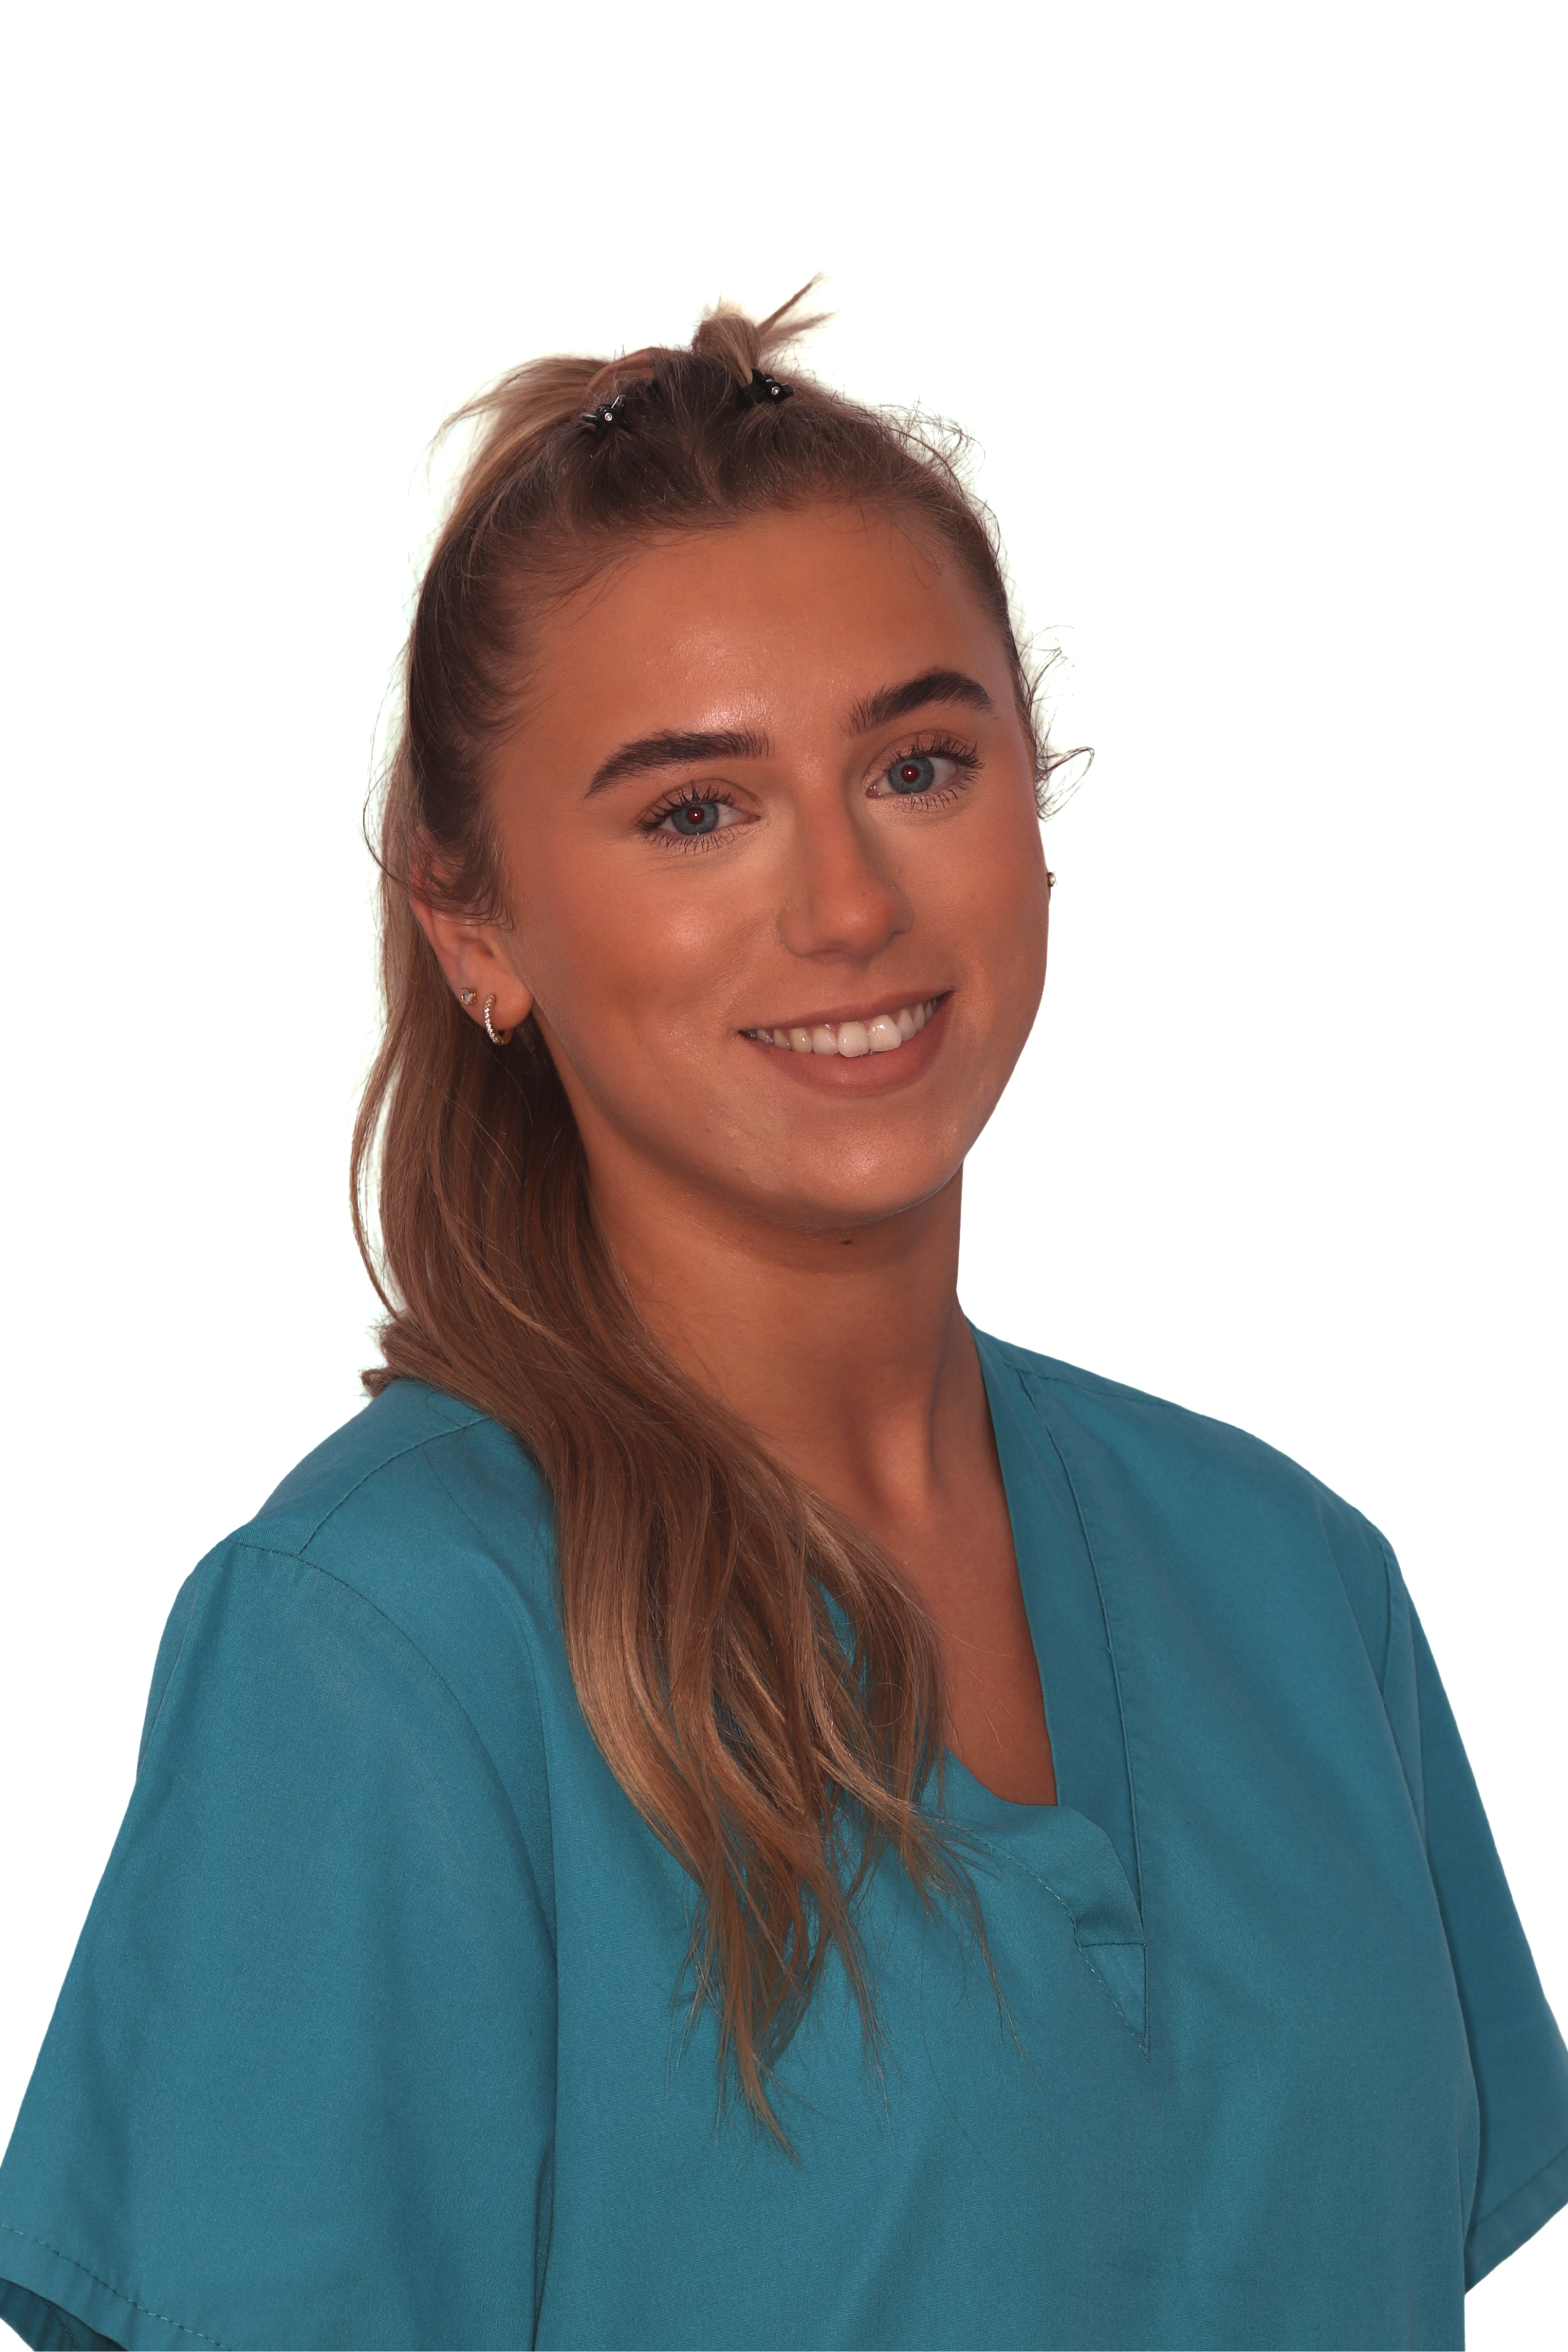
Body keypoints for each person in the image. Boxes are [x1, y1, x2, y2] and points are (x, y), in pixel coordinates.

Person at [1, 286, 1564, 2352]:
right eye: (692, 810)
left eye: (916, 763)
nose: (845, 905)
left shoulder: (1293, 1584)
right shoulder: (381, 1650)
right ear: (473, 919)